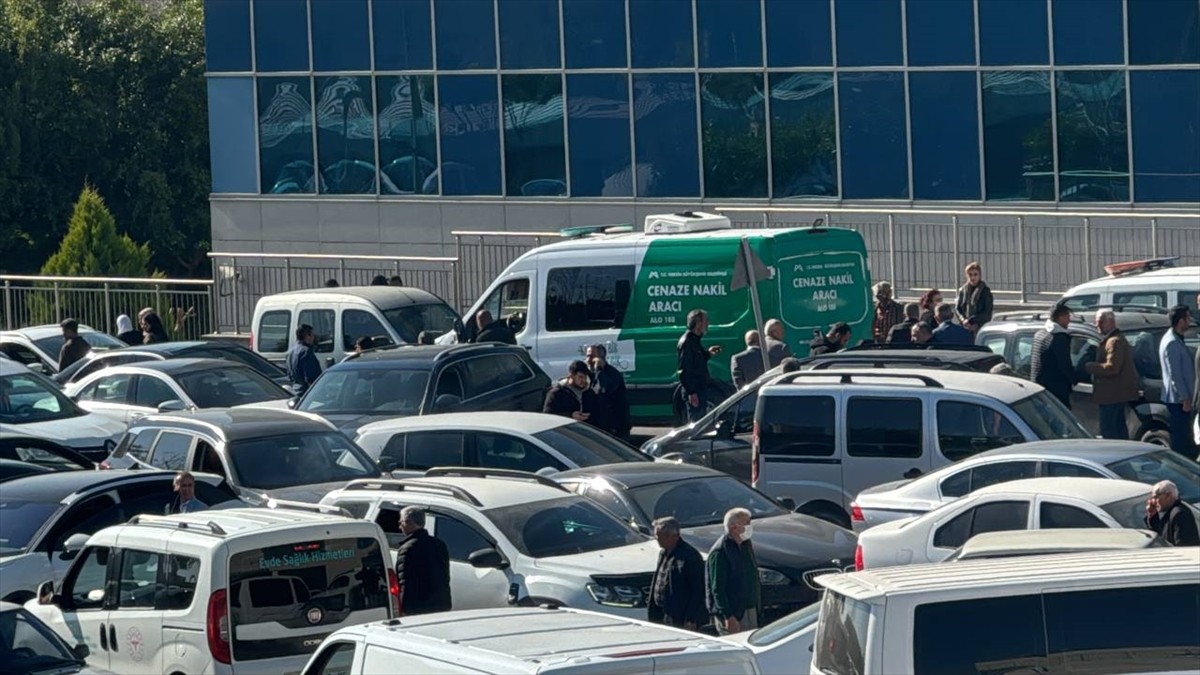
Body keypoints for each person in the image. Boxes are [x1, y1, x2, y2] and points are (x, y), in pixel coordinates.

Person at [1086, 309, 1139, 440]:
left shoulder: (1114, 341)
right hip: (1113, 395)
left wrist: (1090, 366)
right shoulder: (1111, 340)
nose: (1097, 325)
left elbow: (1112, 368)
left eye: (1100, 322)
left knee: (1109, 431)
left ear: (1111, 322)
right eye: (1096, 322)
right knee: (1117, 429)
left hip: (1112, 395)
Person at [706, 508, 761, 635]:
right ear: (734, 527)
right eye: (746, 523)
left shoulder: (745, 545)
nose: (749, 527)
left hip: (749, 609)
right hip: (734, 614)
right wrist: (728, 616)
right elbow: (717, 589)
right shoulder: (720, 552)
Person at [647, 517, 707, 631]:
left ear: (672, 536)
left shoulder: (689, 556)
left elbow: (698, 590)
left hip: (680, 616)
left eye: (658, 536)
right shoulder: (663, 553)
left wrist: (691, 618)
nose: (656, 538)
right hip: (663, 613)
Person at [395, 506, 452, 614]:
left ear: (409, 522)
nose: (399, 526)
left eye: (401, 522)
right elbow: (445, 578)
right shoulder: (439, 545)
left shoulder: (408, 549)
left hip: (418, 608)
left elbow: (406, 583)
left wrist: (403, 609)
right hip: (441, 605)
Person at [1160, 305, 1196, 457]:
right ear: (1181, 321)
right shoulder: (1172, 342)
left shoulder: (1177, 339)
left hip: (1181, 399)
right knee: (1181, 439)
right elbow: (1175, 374)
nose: (1190, 321)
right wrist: (1185, 398)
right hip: (1178, 401)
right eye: (1188, 318)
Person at [678, 309, 722, 423]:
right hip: (695, 391)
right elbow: (684, 369)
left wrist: (708, 354)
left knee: (700, 421)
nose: (708, 324)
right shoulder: (687, 342)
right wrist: (691, 392)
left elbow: (697, 362)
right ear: (698, 323)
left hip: (699, 389)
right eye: (705, 321)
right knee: (696, 423)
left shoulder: (695, 340)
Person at [1030, 304, 1077, 408]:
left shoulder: (1040, 334)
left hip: (1039, 388)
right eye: (1067, 316)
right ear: (1060, 317)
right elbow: (1064, 364)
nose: (1069, 320)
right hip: (1056, 390)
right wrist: (1074, 380)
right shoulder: (1059, 338)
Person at [586, 345, 630, 440]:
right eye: (587, 356)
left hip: (614, 427)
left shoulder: (612, 375)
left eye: (591, 356)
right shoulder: (590, 374)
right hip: (598, 425)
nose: (587, 360)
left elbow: (603, 390)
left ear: (599, 358)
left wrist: (599, 369)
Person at [1144, 480, 1199, 546]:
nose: (1153, 501)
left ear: (1168, 495)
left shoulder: (1180, 514)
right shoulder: (1171, 512)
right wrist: (1152, 515)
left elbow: (1183, 546)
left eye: (1156, 497)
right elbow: (1160, 535)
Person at [543, 360, 599, 425]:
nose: (583, 380)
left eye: (585, 377)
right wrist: (570, 415)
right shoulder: (556, 393)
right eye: (580, 377)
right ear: (571, 376)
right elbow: (548, 416)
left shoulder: (589, 393)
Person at [955, 262, 994, 333]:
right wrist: (963, 320)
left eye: (975, 274)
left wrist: (972, 321)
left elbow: (987, 313)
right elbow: (957, 309)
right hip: (965, 326)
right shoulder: (963, 290)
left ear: (979, 275)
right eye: (970, 275)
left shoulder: (985, 291)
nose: (972, 277)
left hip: (980, 327)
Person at [286, 324, 322, 396]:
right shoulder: (306, 352)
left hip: (295, 391)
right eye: (312, 335)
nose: (313, 338)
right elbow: (310, 377)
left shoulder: (291, 352)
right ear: (307, 336)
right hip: (306, 392)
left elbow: (290, 375)